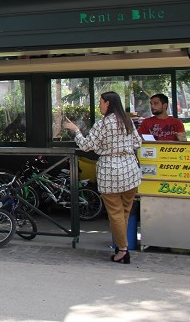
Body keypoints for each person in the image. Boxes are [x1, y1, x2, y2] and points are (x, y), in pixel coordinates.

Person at [64, 91, 142, 264]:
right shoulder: (127, 120)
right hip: (130, 170)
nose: (99, 105)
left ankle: (122, 249)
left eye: (100, 102)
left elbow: (86, 146)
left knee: (115, 213)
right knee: (124, 212)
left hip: (110, 172)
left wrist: (76, 130)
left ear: (107, 103)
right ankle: (122, 245)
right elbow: (138, 142)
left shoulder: (103, 124)